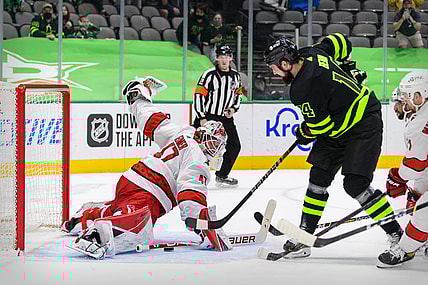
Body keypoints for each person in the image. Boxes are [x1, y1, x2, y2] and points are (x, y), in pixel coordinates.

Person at [263, 33, 403, 258]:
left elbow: (323, 128)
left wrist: (305, 132)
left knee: (356, 184)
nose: (273, 72)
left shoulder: (301, 90)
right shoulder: (311, 53)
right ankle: (305, 235)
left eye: (274, 67)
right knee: (318, 177)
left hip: (363, 121)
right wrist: (347, 65)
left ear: (286, 63)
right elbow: (339, 41)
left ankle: (397, 234)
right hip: (339, 120)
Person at [62, 76, 232, 258]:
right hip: (149, 192)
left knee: (121, 208)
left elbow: (153, 121)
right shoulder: (197, 156)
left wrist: (140, 96)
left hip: (133, 179)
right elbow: (190, 190)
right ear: (205, 138)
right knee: (139, 227)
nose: (213, 150)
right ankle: (98, 237)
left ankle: (83, 218)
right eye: (214, 144)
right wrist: (202, 224)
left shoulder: (185, 133)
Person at [377, 72, 428, 268]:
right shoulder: (422, 113)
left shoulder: (421, 121)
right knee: (422, 202)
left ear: (420, 95)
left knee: (424, 210)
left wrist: (397, 178)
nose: (404, 100)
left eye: (407, 96)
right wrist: (416, 191)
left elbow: (415, 165)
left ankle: (405, 250)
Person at [193, 45, 245, 188]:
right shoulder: (208, 75)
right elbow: (198, 95)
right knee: (194, 146)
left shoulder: (236, 76)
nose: (224, 60)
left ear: (231, 58)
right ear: (216, 58)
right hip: (207, 117)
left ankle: (222, 175)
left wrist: (234, 109)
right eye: (221, 57)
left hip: (226, 118)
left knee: (235, 145)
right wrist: (201, 117)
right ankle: (190, 175)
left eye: (226, 57)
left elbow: (238, 95)